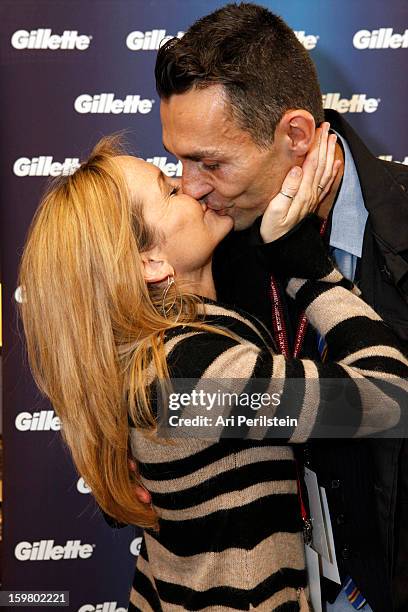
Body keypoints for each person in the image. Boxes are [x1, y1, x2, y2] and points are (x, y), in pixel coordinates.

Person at [17, 134, 407, 611]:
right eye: (169, 191)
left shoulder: (167, 351)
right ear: (150, 261)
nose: (193, 187)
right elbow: (389, 398)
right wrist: (306, 267)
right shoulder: (194, 375)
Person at [120, 3, 408, 611]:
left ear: (296, 136)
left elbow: (391, 404)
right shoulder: (209, 240)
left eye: (210, 162)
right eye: (178, 161)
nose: (190, 185)